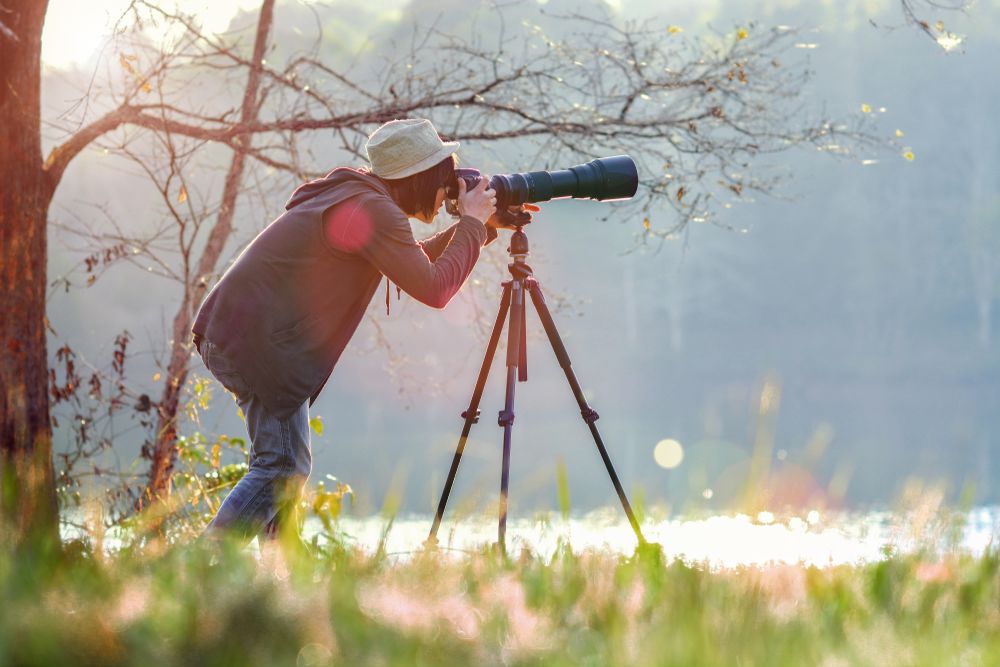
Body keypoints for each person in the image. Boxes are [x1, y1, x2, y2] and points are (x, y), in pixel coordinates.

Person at [192, 118, 525, 545]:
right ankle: (196, 571)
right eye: (442, 183)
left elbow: (413, 261)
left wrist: (481, 230)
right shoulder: (372, 208)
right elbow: (435, 288)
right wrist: (472, 226)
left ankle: (280, 589)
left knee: (286, 470)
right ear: (418, 178)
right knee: (280, 467)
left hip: (241, 334)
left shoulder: (361, 197)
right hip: (255, 344)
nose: (446, 195)